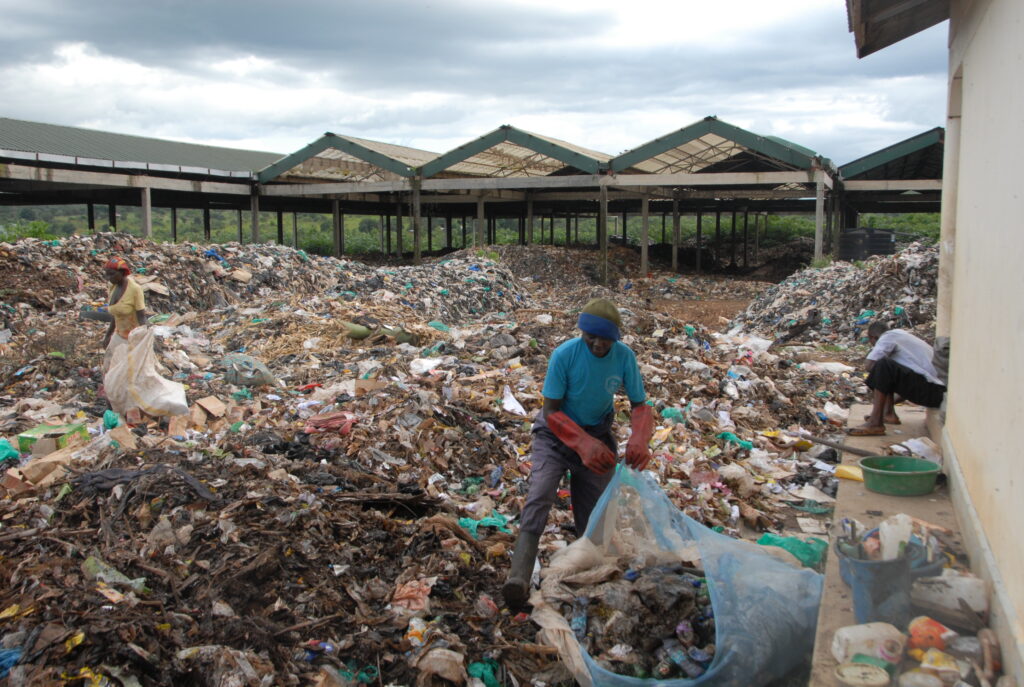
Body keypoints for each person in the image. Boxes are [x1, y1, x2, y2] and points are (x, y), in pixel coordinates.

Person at [502, 298, 653, 609]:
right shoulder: (565, 355)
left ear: (616, 339)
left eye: (605, 340)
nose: (598, 345)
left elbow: (640, 405)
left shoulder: (624, 358)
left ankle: (586, 571)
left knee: (595, 510)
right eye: (591, 338)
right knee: (540, 494)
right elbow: (551, 411)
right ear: (582, 335)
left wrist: (640, 438)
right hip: (555, 436)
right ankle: (518, 575)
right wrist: (581, 444)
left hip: (597, 434)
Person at [848, 322, 946, 436]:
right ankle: (888, 414)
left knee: (883, 365)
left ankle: (875, 423)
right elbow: (908, 382)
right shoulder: (902, 336)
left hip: (934, 392)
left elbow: (869, 365)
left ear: (872, 337)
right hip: (936, 391)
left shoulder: (888, 337)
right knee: (888, 369)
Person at [98, 257, 147, 372]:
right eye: (107, 275)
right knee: (110, 366)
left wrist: (144, 339)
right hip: (119, 335)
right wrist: (108, 335)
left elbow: (142, 316)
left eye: (111, 274)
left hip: (132, 337)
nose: (108, 278)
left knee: (131, 370)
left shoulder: (135, 289)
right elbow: (116, 315)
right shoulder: (113, 287)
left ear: (122, 273)